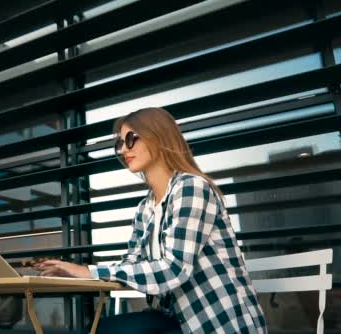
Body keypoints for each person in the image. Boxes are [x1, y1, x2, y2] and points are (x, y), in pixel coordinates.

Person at [33, 108, 267, 333]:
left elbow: (174, 269)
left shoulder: (191, 188)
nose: (123, 149)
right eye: (120, 144)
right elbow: (132, 263)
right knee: (103, 329)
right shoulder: (145, 208)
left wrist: (88, 271)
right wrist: (76, 273)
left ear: (157, 137)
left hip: (214, 322)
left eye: (131, 139)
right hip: (173, 318)